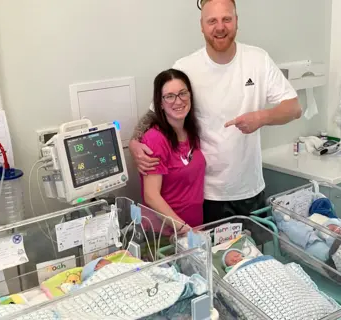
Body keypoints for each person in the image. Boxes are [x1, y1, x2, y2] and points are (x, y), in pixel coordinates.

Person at [129, 0, 302, 225]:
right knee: (216, 257)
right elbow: (156, 113)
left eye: (226, 19)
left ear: (236, 22)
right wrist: (134, 142)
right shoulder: (187, 66)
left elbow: (294, 108)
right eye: (212, 21)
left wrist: (261, 117)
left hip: (249, 189)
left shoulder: (258, 60)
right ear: (202, 26)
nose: (220, 27)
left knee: (254, 258)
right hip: (207, 194)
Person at [140, 68, 205, 232]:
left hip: (194, 228)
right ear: (159, 103)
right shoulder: (155, 139)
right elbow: (151, 196)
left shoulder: (191, 132)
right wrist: (185, 229)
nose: (178, 101)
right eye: (169, 96)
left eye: (183, 93)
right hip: (166, 234)